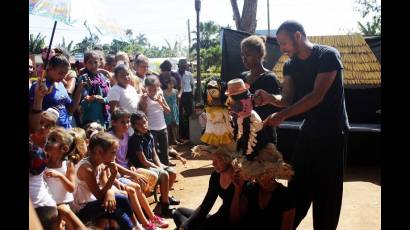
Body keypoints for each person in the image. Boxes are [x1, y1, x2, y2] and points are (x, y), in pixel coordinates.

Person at [254, 20, 349, 230]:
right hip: (309, 132)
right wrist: (271, 98)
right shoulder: (290, 65)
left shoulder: (327, 56)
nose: (282, 49)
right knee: (296, 186)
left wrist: (283, 115)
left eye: (283, 43)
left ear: (297, 36)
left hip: (332, 134)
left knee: (327, 194)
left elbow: (317, 96)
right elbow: (287, 98)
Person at [70, 132, 138, 230]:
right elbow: (99, 195)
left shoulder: (100, 163)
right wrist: (113, 176)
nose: (115, 157)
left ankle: (134, 227)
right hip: (81, 209)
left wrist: (110, 192)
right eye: (113, 152)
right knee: (121, 198)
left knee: (118, 212)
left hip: (92, 203)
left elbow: (104, 185)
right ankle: (136, 224)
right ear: (99, 151)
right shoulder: (87, 169)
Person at [230, 144, 296, 230]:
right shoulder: (251, 189)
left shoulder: (286, 196)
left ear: (273, 173)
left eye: (267, 173)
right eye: (259, 174)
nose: (263, 178)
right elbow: (235, 219)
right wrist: (237, 190)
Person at [127, 111, 180, 217]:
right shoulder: (135, 140)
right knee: (164, 174)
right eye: (139, 124)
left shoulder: (149, 135)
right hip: (141, 168)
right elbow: (143, 161)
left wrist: (160, 165)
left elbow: (154, 155)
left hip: (151, 165)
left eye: (144, 122)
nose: (143, 125)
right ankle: (165, 206)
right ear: (133, 126)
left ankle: (163, 199)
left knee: (172, 172)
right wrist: (159, 169)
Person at [172, 146, 237, 230]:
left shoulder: (239, 179)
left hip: (228, 222)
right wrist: (185, 226)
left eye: (217, 160)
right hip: (218, 218)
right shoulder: (216, 176)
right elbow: (206, 205)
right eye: (212, 159)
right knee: (179, 212)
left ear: (227, 159)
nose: (213, 164)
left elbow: (226, 213)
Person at [239, 35, 281, 146]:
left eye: (247, 55)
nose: (244, 59)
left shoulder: (269, 78)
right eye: (242, 55)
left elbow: (275, 109)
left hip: (263, 136)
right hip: (243, 134)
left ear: (259, 54)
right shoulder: (242, 78)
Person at [43, 127, 86, 230]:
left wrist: (60, 176)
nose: (48, 142)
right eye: (48, 139)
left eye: (53, 140)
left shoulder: (68, 165)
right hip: (49, 205)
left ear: (64, 149)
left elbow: (71, 188)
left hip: (65, 204)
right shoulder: (42, 161)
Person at [29, 54, 85, 129]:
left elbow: (71, 109)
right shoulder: (39, 86)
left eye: (65, 74)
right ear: (50, 69)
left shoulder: (61, 85)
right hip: (50, 133)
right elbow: (32, 116)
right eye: (61, 73)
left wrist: (79, 90)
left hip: (66, 131)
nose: (63, 77)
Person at [139, 76, 172, 166]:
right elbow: (143, 114)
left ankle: (167, 170)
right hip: (151, 128)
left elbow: (168, 111)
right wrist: (144, 102)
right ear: (145, 88)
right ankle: (159, 171)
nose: (152, 92)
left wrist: (160, 102)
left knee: (165, 150)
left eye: (155, 89)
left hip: (163, 127)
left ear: (158, 87)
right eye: (149, 90)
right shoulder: (144, 98)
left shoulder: (160, 95)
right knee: (154, 152)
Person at [77, 50, 111, 128]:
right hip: (90, 117)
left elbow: (110, 96)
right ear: (85, 64)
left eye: (95, 62)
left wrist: (104, 100)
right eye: (90, 63)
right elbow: (82, 99)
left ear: (99, 63)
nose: (93, 65)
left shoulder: (103, 78)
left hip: (104, 117)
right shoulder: (83, 78)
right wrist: (90, 98)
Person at [178, 59, 194, 141]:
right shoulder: (176, 74)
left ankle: (189, 133)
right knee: (180, 114)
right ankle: (182, 134)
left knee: (189, 113)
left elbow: (192, 85)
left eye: (185, 65)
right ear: (179, 65)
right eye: (182, 65)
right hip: (180, 95)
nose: (184, 66)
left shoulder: (189, 74)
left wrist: (193, 94)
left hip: (188, 94)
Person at [163, 77, 181, 145]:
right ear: (167, 84)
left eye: (172, 83)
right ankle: (168, 140)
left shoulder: (176, 91)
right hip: (167, 109)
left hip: (174, 109)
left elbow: (178, 101)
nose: (171, 85)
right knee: (167, 125)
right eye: (169, 83)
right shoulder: (163, 92)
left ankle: (175, 139)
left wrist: (177, 109)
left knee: (174, 125)